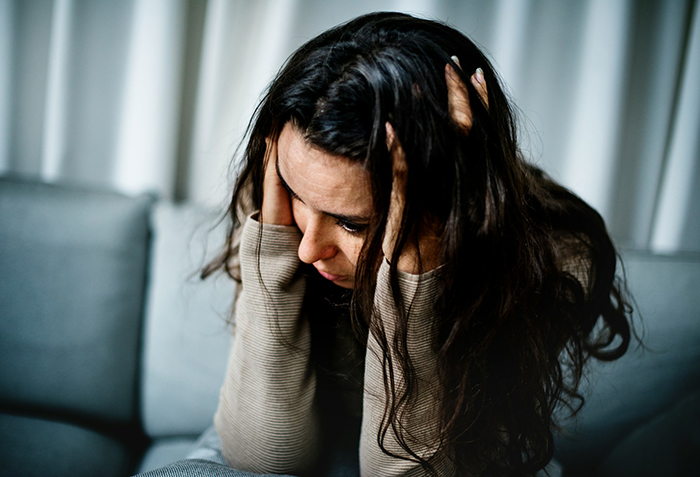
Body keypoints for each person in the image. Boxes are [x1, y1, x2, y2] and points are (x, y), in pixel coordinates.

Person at [203, 11, 632, 477]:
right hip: (292, 436)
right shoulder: (278, 208)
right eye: (297, 193)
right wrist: (271, 257)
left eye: (351, 223)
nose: (307, 250)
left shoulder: (554, 255)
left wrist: (418, 272)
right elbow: (260, 460)